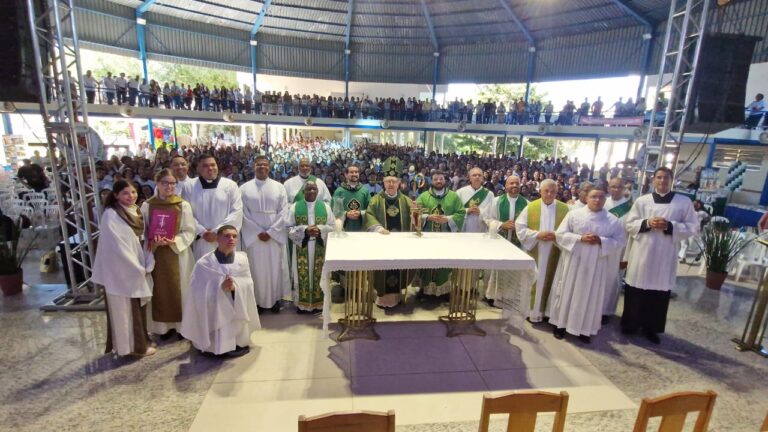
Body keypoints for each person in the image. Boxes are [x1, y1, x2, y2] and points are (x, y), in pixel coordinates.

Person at [622, 167, 699, 344]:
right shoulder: (642, 201)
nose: (662, 181)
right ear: (653, 180)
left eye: (666, 178)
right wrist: (647, 222)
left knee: (658, 291)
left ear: (672, 180)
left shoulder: (683, 202)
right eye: (659, 177)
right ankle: (630, 324)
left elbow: (692, 227)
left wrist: (670, 226)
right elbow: (629, 223)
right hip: (643, 251)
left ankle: (651, 328)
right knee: (636, 288)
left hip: (665, 252)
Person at [548, 189, 626, 344]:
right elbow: (560, 234)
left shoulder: (612, 220)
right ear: (587, 198)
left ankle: (585, 329)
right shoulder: (574, 215)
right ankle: (561, 325)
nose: (597, 200)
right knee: (568, 291)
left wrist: (602, 241)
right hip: (574, 261)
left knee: (590, 295)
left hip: (595, 265)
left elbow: (619, 241)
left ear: (605, 200)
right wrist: (580, 238)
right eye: (593, 196)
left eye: (600, 197)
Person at [91, 180, 156, 358]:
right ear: (116, 195)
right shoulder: (111, 215)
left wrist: (146, 257)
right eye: (126, 193)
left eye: (133, 192)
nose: (131, 196)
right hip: (120, 271)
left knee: (137, 307)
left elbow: (140, 238)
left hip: (135, 265)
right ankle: (131, 348)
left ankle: (140, 342)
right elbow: (116, 246)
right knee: (125, 310)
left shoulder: (135, 211)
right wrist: (135, 267)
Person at [180, 225, 260, 358]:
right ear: (218, 238)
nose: (231, 239)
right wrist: (219, 289)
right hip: (213, 309)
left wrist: (235, 287)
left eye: (234, 236)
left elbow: (248, 283)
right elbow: (196, 292)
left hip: (236, 304)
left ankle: (236, 342)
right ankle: (215, 345)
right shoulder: (204, 263)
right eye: (227, 236)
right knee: (219, 310)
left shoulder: (242, 260)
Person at [140, 169, 196, 339]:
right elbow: (143, 231)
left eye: (172, 183)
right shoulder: (147, 205)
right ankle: (162, 328)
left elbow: (190, 230)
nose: (169, 186)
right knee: (159, 289)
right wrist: (152, 240)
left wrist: (174, 241)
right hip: (156, 254)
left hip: (178, 254)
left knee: (181, 288)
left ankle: (181, 327)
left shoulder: (182, 205)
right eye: (165, 183)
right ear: (157, 183)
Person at [239, 155, 290, 313]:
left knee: (275, 268)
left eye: (265, 164)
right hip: (254, 238)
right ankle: (258, 302)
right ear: (254, 167)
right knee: (256, 269)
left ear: (269, 167)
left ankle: (274, 300)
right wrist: (257, 232)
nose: (262, 167)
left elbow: (284, 211)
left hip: (273, 237)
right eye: (258, 164)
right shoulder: (244, 188)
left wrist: (271, 232)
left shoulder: (279, 187)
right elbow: (242, 213)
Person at [515, 179, 569, 323]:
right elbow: (519, 227)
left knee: (553, 281)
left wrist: (556, 236)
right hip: (536, 249)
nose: (549, 194)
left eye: (553, 191)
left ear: (557, 192)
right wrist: (537, 235)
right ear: (540, 191)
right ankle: (531, 311)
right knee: (534, 279)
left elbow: (570, 232)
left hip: (555, 250)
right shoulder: (531, 207)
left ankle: (548, 313)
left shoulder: (565, 209)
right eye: (546, 191)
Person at [364, 158, 412, 307]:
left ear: (399, 183)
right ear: (383, 183)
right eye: (388, 181)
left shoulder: (407, 201)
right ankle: (381, 298)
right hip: (382, 244)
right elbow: (369, 215)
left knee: (398, 268)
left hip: (401, 245)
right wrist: (378, 228)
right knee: (382, 270)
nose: (391, 184)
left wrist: (416, 215)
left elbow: (415, 221)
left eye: (394, 181)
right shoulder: (376, 200)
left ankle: (396, 297)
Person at [287, 182, 335, 313]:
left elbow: (332, 226)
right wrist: (304, 230)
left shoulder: (325, 207)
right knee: (301, 275)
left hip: (320, 246)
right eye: (308, 189)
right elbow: (288, 228)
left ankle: (318, 304)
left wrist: (320, 229)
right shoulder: (294, 207)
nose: (311, 191)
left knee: (320, 274)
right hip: (301, 247)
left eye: (314, 189)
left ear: (318, 191)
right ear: (303, 192)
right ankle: (302, 305)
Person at [415, 170, 465, 296]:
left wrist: (448, 219)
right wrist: (427, 217)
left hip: (446, 238)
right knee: (426, 262)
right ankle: (425, 289)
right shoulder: (424, 196)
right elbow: (415, 213)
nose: (438, 181)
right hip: (428, 238)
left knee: (444, 264)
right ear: (431, 181)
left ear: (445, 180)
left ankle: (444, 291)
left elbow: (461, 213)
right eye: (436, 179)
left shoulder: (453, 196)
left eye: (441, 179)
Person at [186, 154, 243, 261]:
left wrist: (218, 232)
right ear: (198, 168)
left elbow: (236, 212)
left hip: (225, 238)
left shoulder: (230, 185)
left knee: (227, 274)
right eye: (205, 166)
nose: (210, 168)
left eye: (213, 165)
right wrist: (202, 232)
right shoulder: (189, 187)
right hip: (202, 240)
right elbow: (186, 213)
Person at [485, 175, 528, 306]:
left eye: (517, 183)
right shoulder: (497, 201)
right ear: (506, 186)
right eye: (511, 183)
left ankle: (510, 297)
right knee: (498, 268)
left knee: (513, 269)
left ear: (520, 185)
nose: (514, 186)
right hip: (499, 240)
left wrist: (519, 228)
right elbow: (487, 218)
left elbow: (529, 224)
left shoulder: (527, 204)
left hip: (517, 243)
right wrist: (501, 225)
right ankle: (493, 296)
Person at [603, 177, 633, 320]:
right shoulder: (602, 202)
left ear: (624, 189)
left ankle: (607, 312)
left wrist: (626, 257)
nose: (615, 190)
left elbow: (631, 235)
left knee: (613, 282)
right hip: (601, 250)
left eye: (619, 187)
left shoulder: (629, 208)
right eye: (613, 187)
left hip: (618, 252)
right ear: (608, 188)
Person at [333, 165, 370, 232]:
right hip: (344, 229)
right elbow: (335, 210)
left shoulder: (365, 191)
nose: (354, 174)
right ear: (346, 175)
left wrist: (360, 213)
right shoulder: (339, 191)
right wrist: (346, 214)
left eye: (356, 172)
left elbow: (370, 210)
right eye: (351, 172)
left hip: (361, 229)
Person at [457, 167, 493, 233]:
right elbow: (455, 212)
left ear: (482, 178)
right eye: (474, 175)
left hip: (481, 230)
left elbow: (492, 214)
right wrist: (467, 210)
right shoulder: (460, 192)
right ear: (470, 178)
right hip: (464, 230)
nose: (477, 177)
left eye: (479, 175)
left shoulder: (489, 194)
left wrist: (480, 211)